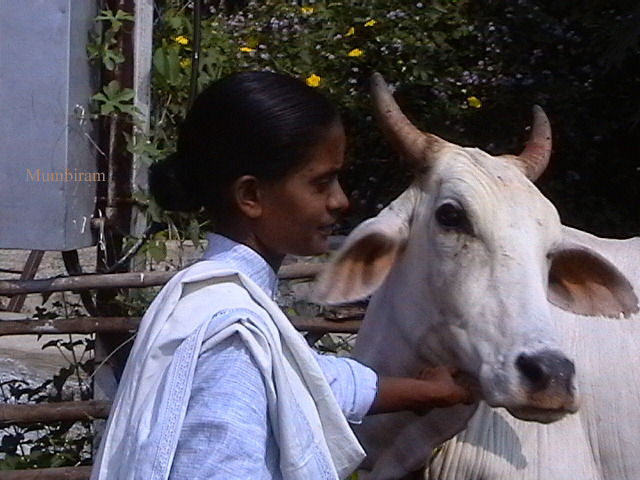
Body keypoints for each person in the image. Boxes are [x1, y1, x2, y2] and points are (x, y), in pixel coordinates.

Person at [91, 71, 473, 480]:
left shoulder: (213, 301)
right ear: (251, 196)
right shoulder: (233, 338)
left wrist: (425, 393)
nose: (340, 200)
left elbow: (308, 377)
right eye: (321, 182)